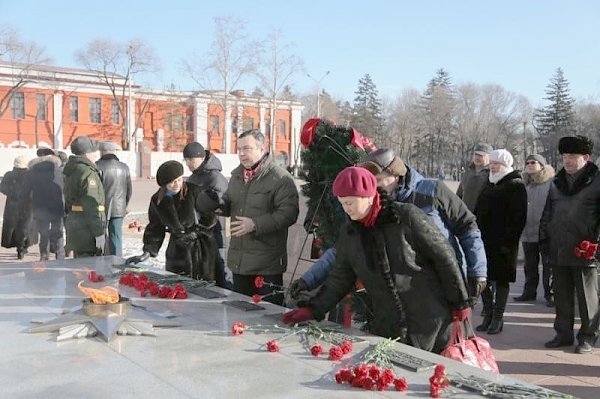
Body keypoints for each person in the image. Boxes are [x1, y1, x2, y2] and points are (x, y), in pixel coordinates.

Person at [283, 167, 470, 354]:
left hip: (430, 318)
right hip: (388, 322)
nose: (346, 209)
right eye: (342, 203)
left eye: (350, 202)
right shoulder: (351, 234)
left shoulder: (406, 217)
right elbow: (340, 278)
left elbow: (444, 257)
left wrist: (460, 301)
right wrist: (313, 309)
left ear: (368, 196)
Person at [290, 149, 487, 304]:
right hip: (405, 293)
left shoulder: (433, 191)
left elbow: (468, 227)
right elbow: (344, 248)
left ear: (394, 174)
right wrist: (308, 280)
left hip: (446, 284)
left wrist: (477, 271)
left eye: (376, 180)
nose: (372, 187)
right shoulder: (373, 206)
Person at [221, 129, 299, 305]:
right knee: (239, 314)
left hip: (267, 265)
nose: (241, 154)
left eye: (246, 148)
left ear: (261, 148)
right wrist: (217, 205)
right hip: (239, 262)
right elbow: (229, 202)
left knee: (269, 317)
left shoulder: (280, 178)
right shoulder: (236, 176)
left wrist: (255, 224)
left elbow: (288, 214)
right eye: (239, 149)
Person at [540, 135, 600, 354]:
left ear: (585, 157)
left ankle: (588, 337)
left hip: (586, 250)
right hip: (559, 248)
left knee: (587, 298)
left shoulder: (596, 181)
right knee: (562, 296)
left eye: (573, 156)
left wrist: (596, 245)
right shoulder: (556, 183)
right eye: (565, 156)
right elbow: (547, 214)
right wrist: (544, 241)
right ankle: (562, 334)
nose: (567, 161)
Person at [126, 160, 221, 283]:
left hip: (201, 250)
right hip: (177, 252)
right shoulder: (157, 201)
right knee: (178, 288)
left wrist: (197, 232)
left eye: (179, 180)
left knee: (203, 290)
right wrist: (148, 251)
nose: (177, 184)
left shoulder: (194, 191)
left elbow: (210, 217)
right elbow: (155, 228)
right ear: (164, 184)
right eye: (172, 182)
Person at [474, 149, 527, 335]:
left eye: (497, 163)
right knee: (483, 278)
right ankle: (488, 313)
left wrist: (509, 241)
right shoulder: (489, 182)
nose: (493, 166)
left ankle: (498, 317)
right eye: (492, 163)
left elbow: (519, 217)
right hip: (484, 239)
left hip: (504, 242)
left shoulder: (515, 184)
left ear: (506, 165)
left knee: (501, 279)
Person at [182, 141, 231, 288]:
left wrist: (209, 205)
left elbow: (226, 206)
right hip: (196, 232)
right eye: (186, 160)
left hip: (214, 232)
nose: (188, 163)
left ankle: (227, 298)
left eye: (191, 159)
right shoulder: (192, 178)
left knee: (219, 270)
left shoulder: (215, 178)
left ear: (201, 157)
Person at [515, 154, 555, 307]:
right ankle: (529, 292)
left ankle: (550, 294)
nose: (530, 165)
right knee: (530, 265)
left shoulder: (551, 183)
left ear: (542, 165)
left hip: (545, 231)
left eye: (534, 162)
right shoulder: (523, 184)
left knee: (548, 266)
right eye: (528, 163)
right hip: (527, 231)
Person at [63, 136, 106, 258]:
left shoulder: (72, 169)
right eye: (94, 152)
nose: (96, 155)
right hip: (87, 230)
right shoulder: (87, 173)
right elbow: (90, 204)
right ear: (87, 153)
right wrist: (98, 233)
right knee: (88, 270)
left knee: (79, 268)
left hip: (77, 224)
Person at [22, 149, 65, 260]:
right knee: (58, 232)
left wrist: (24, 206)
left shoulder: (31, 172)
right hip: (58, 206)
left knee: (43, 232)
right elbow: (66, 189)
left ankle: (44, 255)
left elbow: (25, 191)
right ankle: (60, 255)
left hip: (40, 206)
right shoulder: (60, 171)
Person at [96, 141, 132, 256]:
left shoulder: (96, 166)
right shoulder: (124, 167)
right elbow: (129, 190)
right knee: (116, 236)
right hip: (119, 208)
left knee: (99, 236)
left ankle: (100, 260)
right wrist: (124, 205)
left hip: (100, 209)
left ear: (102, 152)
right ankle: (117, 261)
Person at [0, 155, 36, 259]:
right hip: (28, 205)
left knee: (14, 226)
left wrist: (13, 193)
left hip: (12, 205)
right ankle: (23, 247)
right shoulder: (31, 175)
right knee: (26, 226)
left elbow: (2, 188)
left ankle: (19, 248)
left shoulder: (9, 175)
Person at [457, 143, 493, 212]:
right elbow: (459, 195)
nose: (477, 157)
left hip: (483, 217)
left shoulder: (493, 174)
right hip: (465, 215)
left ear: (489, 157)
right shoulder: (467, 173)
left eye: (481, 155)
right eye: (476, 154)